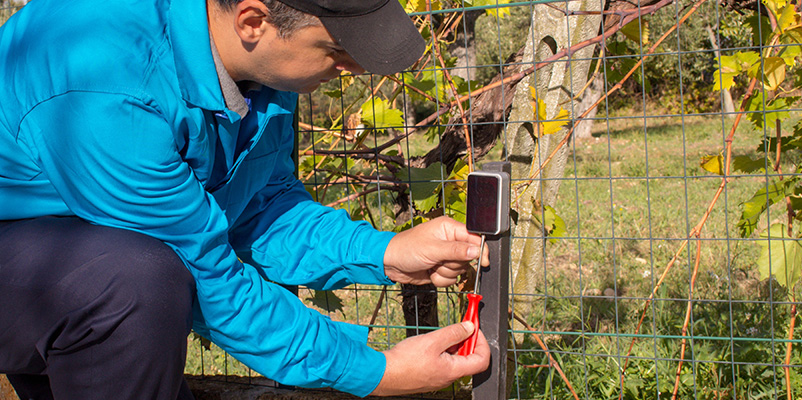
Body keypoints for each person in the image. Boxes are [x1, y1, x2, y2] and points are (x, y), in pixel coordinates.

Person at [0, 0, 490, 398]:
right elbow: (206, 273)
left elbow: (259, 205)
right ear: (253, 21)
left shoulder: (264, 70)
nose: (355, 69)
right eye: (337, 50)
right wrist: (374, 371)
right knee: (135, 284)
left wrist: (386, 254)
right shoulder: (108, 83)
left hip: (77, 254)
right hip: (48, 264)